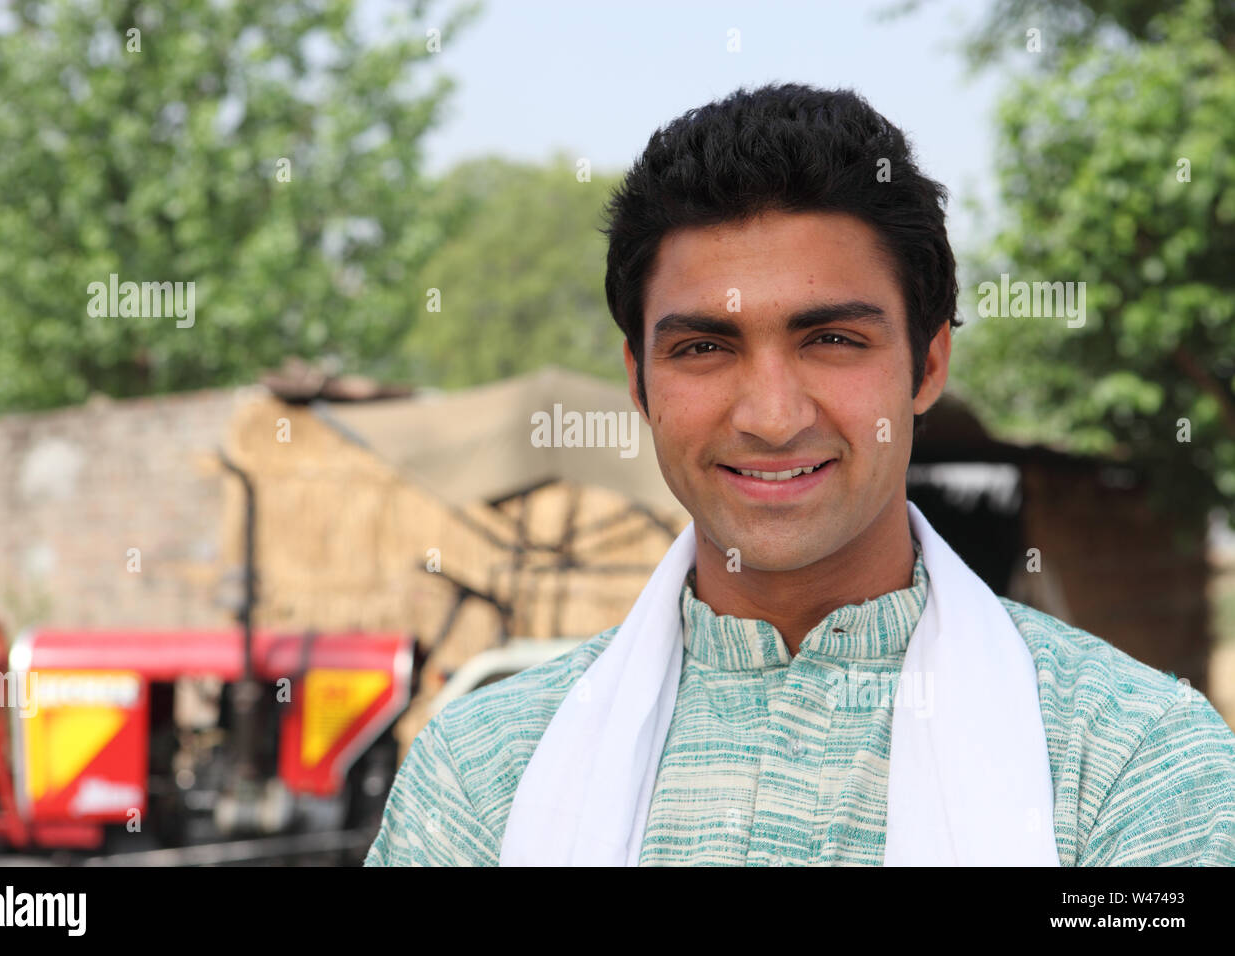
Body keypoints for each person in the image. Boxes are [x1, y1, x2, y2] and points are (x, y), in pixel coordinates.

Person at [365, 83, 1235, 866]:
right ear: (637, 381)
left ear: (928, 365)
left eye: (832, 340)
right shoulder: (483, 778)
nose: (772, 417)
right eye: (705, 348)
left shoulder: (1130, 764)